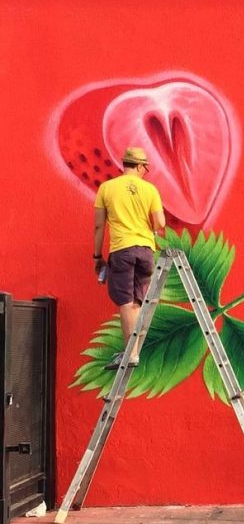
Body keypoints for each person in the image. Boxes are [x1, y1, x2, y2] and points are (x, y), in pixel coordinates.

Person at [93, 147, 165, 370]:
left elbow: (99, 226)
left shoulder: (106, 188)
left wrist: (97, 256)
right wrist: (149, 229)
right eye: (146, 168)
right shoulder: (150, 189)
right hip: (145, 251)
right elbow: (160, 223)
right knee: (137, 302)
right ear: (141, 166)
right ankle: (133, 351)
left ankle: (131, 353)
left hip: (122, 250)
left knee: (125, 302)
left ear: (125, 164)